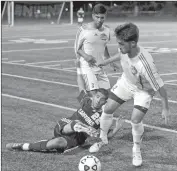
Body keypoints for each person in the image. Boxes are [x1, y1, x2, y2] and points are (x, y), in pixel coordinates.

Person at [89, 23, 170, 167]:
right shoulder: (125, 50)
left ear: (132, 43)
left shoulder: (145, 64)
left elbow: (161, 87)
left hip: (143, 91)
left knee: (135, 120)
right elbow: (120, 55)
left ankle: (136, 149)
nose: (119, 46)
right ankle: (102, 139)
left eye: (121, 43)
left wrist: (165, 108)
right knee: (107, 109)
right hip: (126, 83)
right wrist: (105, 62)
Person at [6, 89, 124, 153]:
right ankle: (79, 126)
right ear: (94, 96)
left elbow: (105, 136)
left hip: (75, 138)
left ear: (105, 102)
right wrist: (79, 67)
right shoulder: (86, 101)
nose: (98, 101)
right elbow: (81, 87)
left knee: (54, 144)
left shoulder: (103, 116)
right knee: (77, 123)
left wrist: (117, 129)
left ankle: (22, 146)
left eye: (102, 100)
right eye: (97, 97)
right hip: (64, 125)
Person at [74, 3, 118, 96]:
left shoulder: (107, 30)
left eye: (102, 17)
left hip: (99, 67)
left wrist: (110, 61)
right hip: (86, 66)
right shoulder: (83, 30)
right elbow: (77, 48)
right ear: (93, 16)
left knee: (106, 94)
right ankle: (87, 109)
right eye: (97, 17)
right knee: (94, 96)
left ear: (105, 16)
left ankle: (89, 110)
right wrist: (86, 56)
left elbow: (104, 46)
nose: (99, 20)